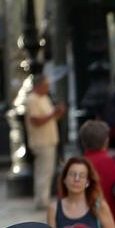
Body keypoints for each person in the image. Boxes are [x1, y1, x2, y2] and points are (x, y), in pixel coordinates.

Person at [24, 76, 67, 209]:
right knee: (43, 171)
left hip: (50, 139)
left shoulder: (45, 98)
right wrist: (53, 113)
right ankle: (42, 200)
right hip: (40, 141)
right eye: (45, 86)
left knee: (47, 171)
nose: (47, 88)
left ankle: (44, 198)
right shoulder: (32, 100)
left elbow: (52, 118)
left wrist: (59, 112)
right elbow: (36, 120)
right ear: (38, 86)